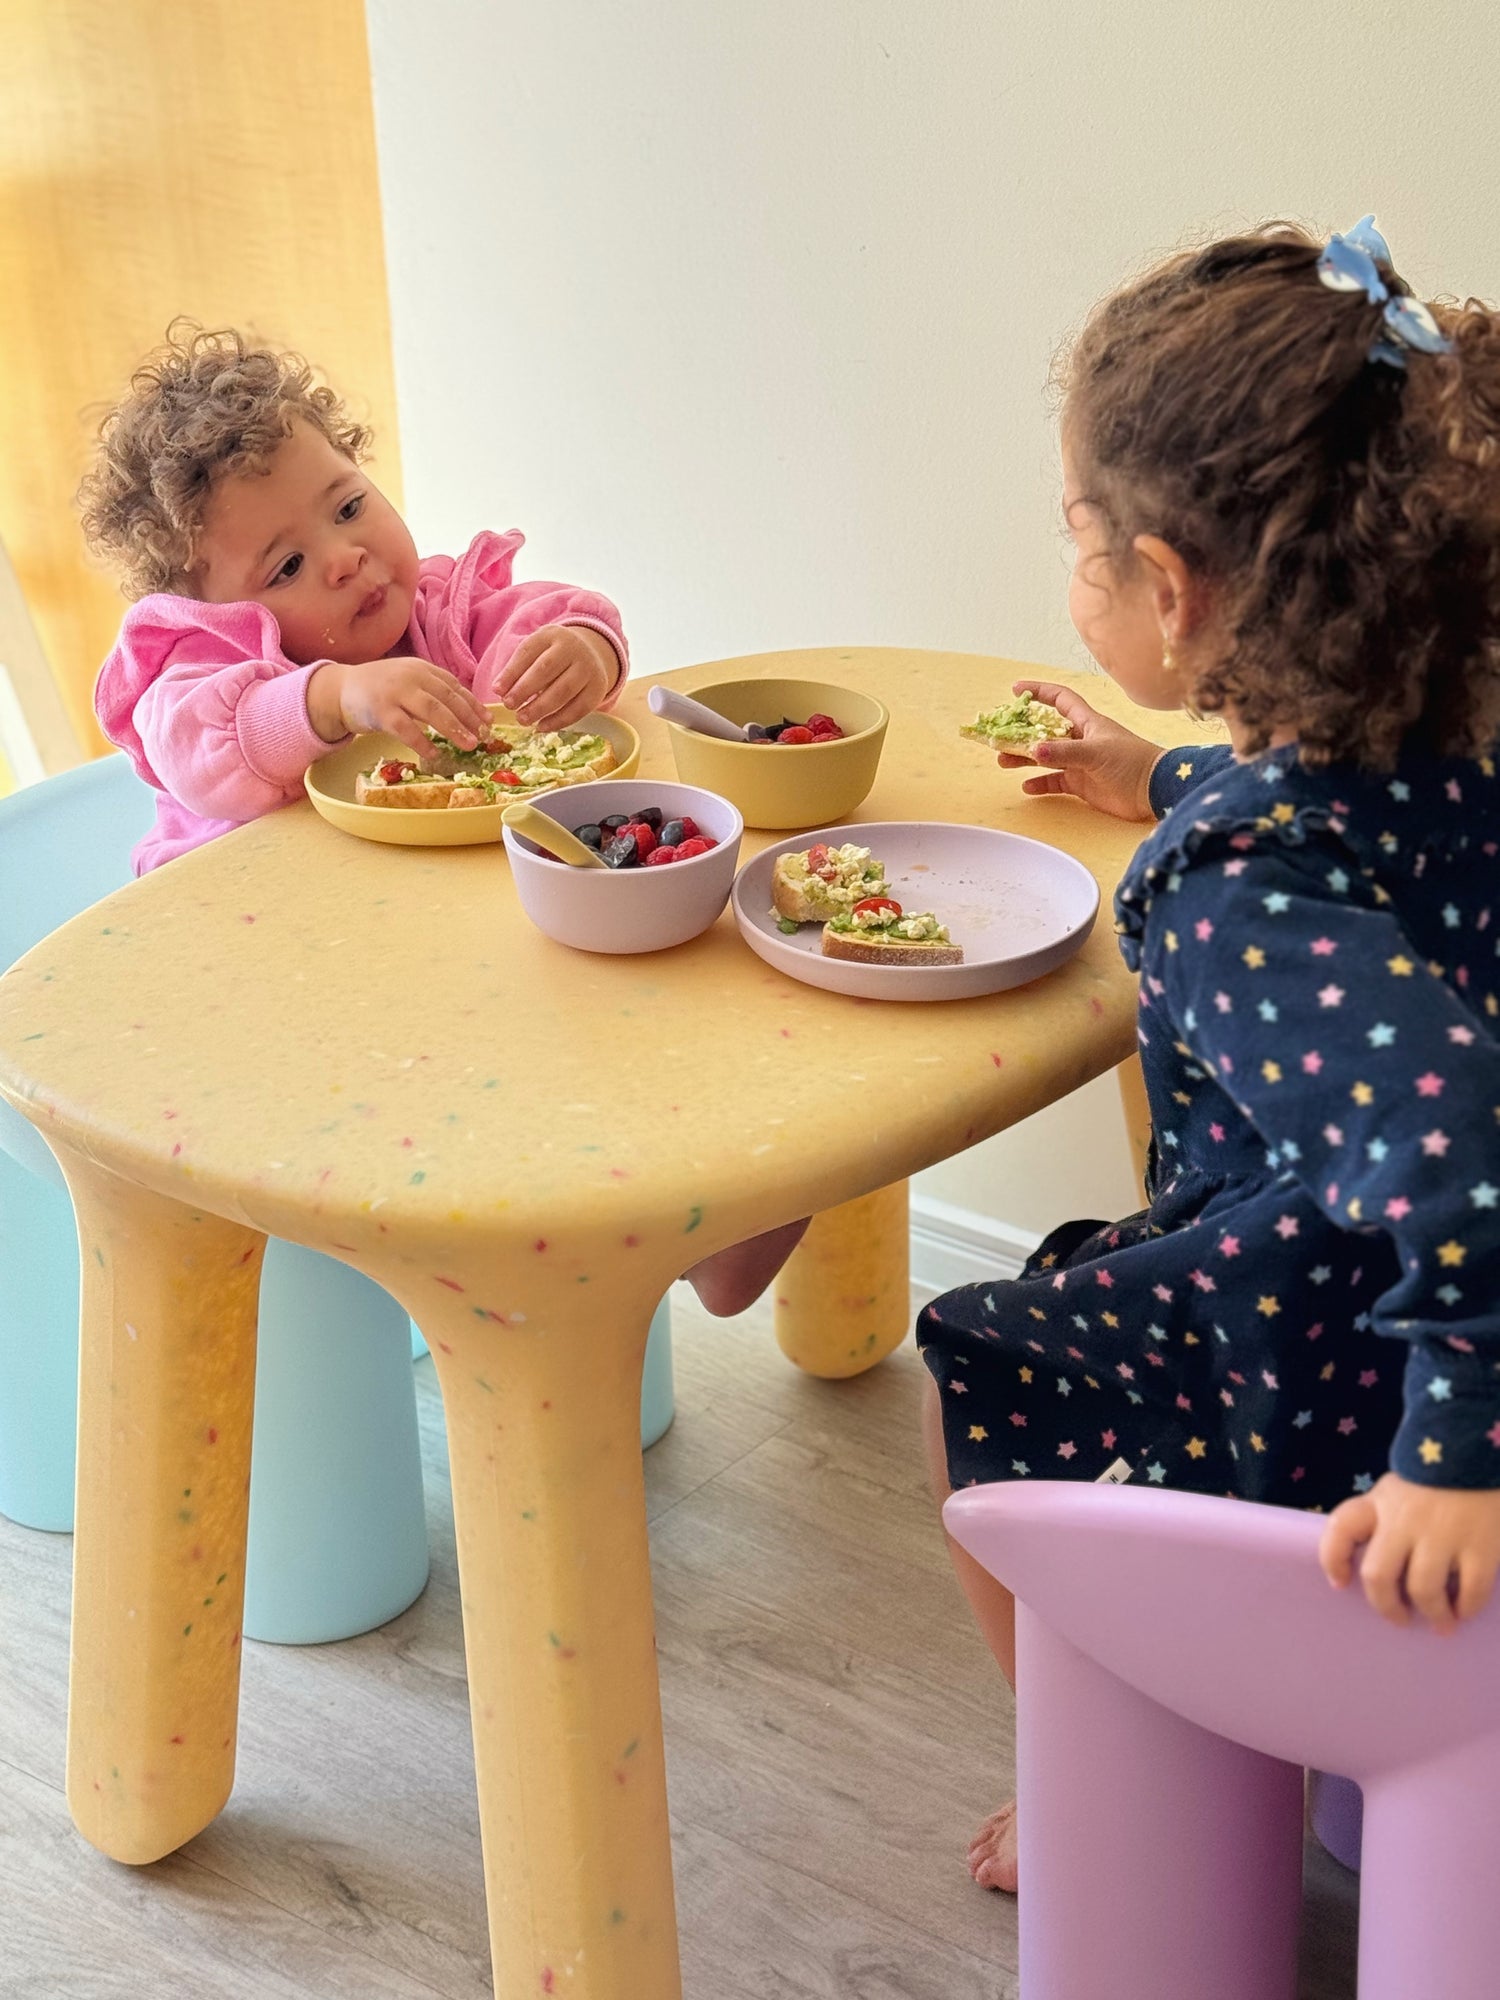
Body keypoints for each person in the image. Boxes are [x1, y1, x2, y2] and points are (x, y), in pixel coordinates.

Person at [920, 218, 1500, 1894]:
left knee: (987, 1355)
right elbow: (1345, 831)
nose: (1076, 574)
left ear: (1168, 590)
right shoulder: (1445, 740)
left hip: (1342, 1330)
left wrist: (1459, 1454)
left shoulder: (1235, 886)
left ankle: (1100, 1790)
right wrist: (1161, 776)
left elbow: (1468, 1154)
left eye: (1078, 540)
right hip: (1386, 1289)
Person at [80, 323, 629, 875]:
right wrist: (331, 699)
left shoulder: (440, 618)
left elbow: (532, 626)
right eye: (289, 566)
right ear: (216, 615)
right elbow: (196, 753)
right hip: (247, 905)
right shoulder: (204, 675)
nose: (345, 559)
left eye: (347, 509)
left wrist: (584, 651)